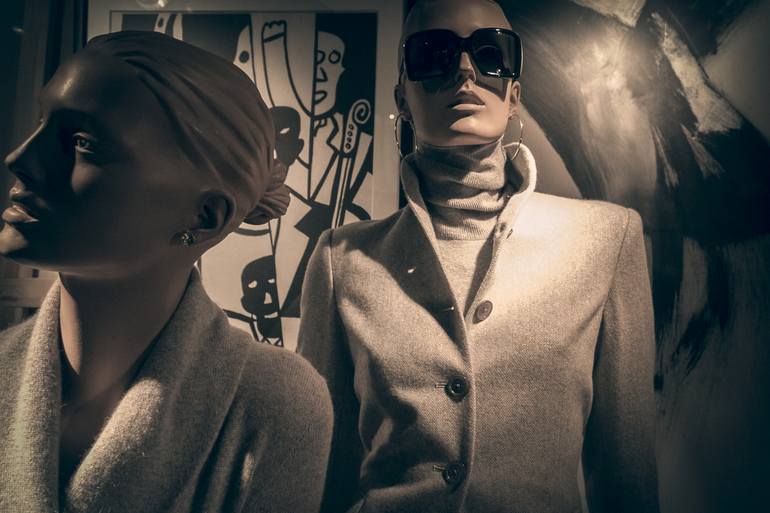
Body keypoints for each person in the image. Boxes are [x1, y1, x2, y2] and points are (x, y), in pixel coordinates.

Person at [297, 1, 658, 512]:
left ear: (514, 96)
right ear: (402, 98)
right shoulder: (343, 259)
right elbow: (323, 470)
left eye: (491, 54)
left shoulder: (605, 240)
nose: (465, 70)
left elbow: (626, 472)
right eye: (435, 53)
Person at [0, 31, 332, 512]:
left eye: (83, 143)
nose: (21, 160)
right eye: (40, 122)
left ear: (204, 216)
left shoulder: (273, 402)